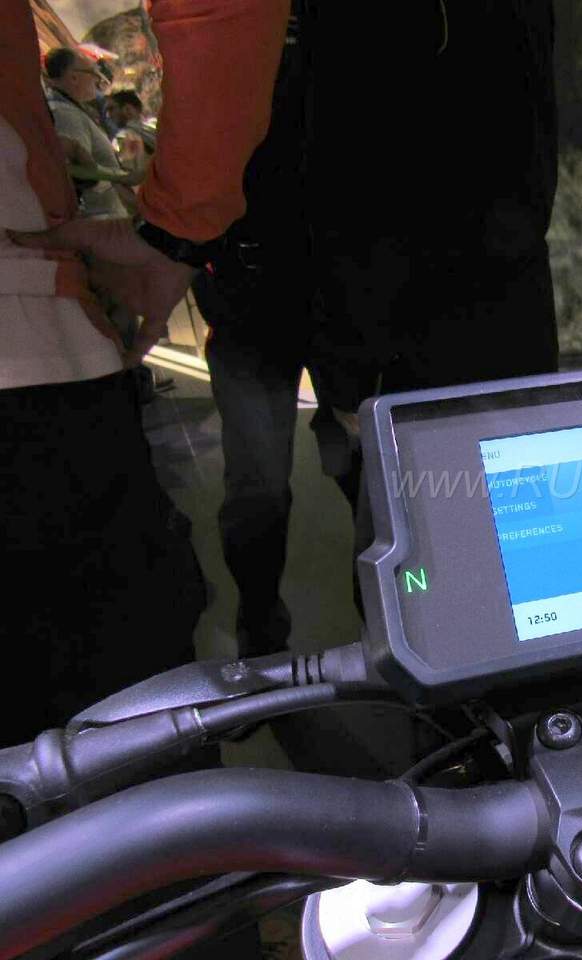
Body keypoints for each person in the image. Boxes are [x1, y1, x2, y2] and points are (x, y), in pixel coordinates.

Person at [189, 0, 562, 656]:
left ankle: (412, 668)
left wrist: (353, 363)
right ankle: (272, 626)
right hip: (299, 299)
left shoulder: (336, 25)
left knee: (405, 519)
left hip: (390, 307)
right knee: (286, 492)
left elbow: (356, 180)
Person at [1, 1, 289, 745]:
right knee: (127, 737)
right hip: (33, 357)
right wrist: (178, 228)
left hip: (50, 353)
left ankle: (266, 638)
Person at [43, 47, 134, 220]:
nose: (97, 79)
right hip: (99, 219)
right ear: (74, 77)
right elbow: (79, 176)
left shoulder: (71, 110)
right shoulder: (67, 115)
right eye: (92, 73)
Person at [106, 88, 156, 176]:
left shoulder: (123, 137)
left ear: (128, 109)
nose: (108, 115)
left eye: (111, 109)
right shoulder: (157, 128)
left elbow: (122, 173)